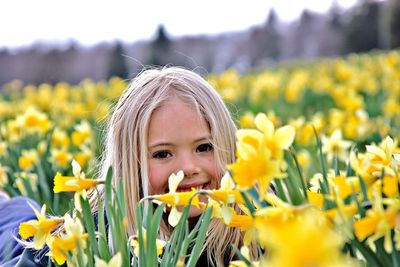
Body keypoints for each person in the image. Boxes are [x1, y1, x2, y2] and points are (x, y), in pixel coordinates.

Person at [1, 66, 251, 266]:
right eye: (163, 153)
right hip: (20, 241)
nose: (188, 167)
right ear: (129, 165)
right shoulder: (98, 235)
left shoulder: (251, 220)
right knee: (15, 221)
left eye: (204, 147)